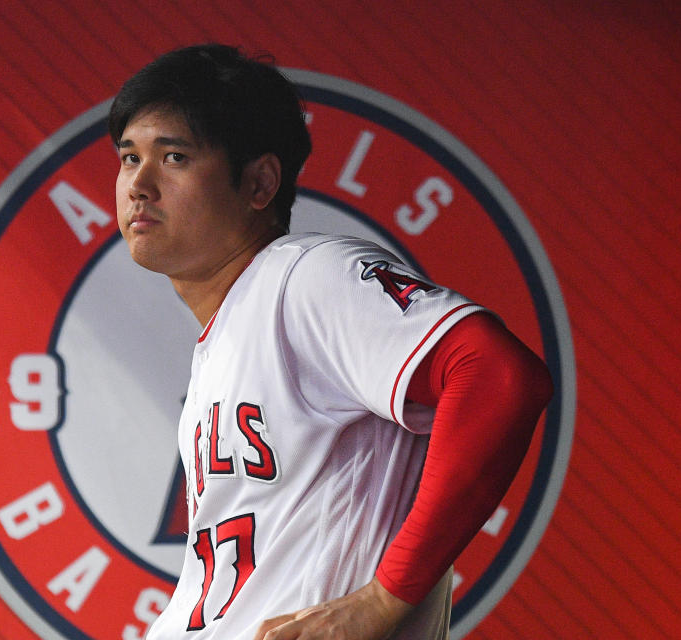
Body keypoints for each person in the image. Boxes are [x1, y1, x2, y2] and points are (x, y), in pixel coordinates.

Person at [108, 43, 553, 640]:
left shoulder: (303, 275)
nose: (139, 183)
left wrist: (384, 598)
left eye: (175, 156)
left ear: (260, 182)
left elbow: (497, 374)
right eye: (129, 156)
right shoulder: (230, 335)